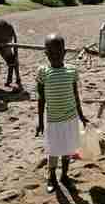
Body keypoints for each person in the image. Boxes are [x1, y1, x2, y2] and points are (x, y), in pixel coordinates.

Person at [36, 34, 89, 193]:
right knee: (53, 150)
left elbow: (75, 95)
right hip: (53, 120)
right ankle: (52, 175)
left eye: (58, 53)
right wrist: (40, 122)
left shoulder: (72, 70)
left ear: (64, 52)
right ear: (46, 54)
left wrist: (81, 115)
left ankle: (64, 175)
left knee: (68, 149)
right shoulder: (43, 72)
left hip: (70, 119)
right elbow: (41, 98)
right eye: (50, 54)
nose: (55, 57)